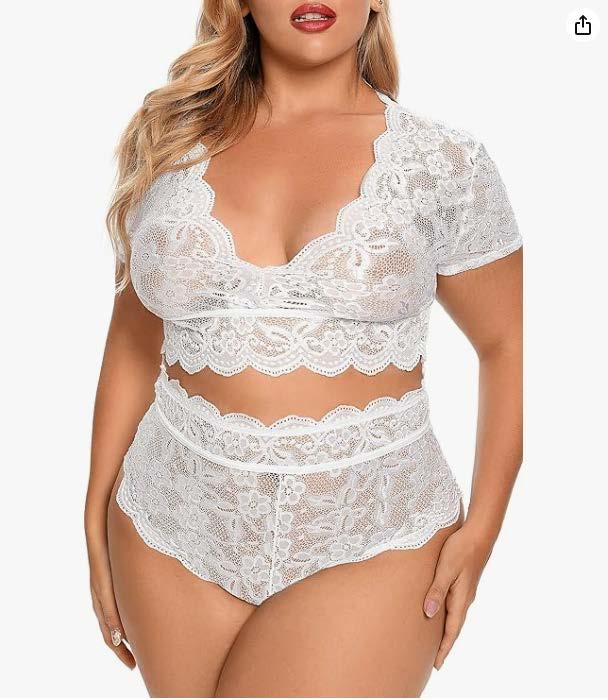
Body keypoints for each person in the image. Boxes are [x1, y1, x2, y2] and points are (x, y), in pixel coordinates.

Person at [85, 0, 523, 696]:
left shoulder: (445, 165)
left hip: (374, 532)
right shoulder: (171, 141)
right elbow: (136, 339)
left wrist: (485, 529)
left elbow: (507, 342)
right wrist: (94, 510)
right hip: (169, 522)